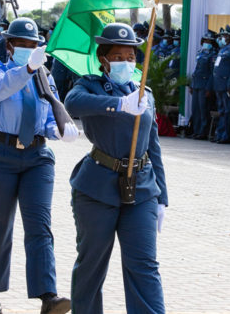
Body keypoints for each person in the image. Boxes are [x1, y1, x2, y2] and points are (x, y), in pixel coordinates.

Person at [64, 22, 167, 314]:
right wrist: (119, 104)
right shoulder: (90, 86)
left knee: (144, 265)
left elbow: (153, 147)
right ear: (103, 59)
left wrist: (162, 198)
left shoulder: (144, 92)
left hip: (142, 188)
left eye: (131, 57)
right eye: (119, 57)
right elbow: (73, 103)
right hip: (98, 186)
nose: (126, 62)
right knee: (92, 263)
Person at [0, 17, 77, 314]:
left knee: (39, 227)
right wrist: (29, 68)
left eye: (33, 45)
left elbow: (48, 114)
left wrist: (60, 128)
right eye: (22, 44)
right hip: (2, 155)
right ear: (9, 46)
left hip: (37, 158)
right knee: (0, 225)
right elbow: (0, 91)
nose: (28, 49)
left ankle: (48, 295)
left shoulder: (44, 76)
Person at [212, 25, 230, 144]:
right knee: (221, 111)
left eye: (224, 35)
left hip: (226, 86)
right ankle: (220, 134)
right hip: (219, 85)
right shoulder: (224, 49)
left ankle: (226, 135)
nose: (223, 38)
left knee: (227, 111)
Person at [189, 30, 217, 140]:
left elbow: (212, 73)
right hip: (196, 84)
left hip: (205, 86)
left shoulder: (213, 54)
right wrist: (192, 84)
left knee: (203, 110)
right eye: (205, 40)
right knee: (195, 109)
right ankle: (196, 130)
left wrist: (209, 88)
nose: (207, 42)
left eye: (209, 41)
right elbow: (196, 70)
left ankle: (203, 131)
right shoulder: (201, 52)